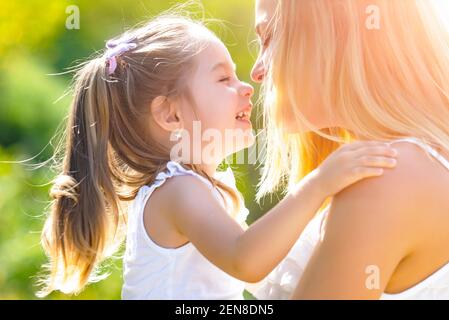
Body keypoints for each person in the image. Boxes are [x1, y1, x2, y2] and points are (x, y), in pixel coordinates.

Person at [35, 13, 398, 299]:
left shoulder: (200, 187)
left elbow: (255, 274)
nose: (246, 87)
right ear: (171, 115)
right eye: (224, 80)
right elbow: (247, 260)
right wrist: (318, 184)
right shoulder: (178, 190)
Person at [250, 0, 449, 299]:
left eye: (269, 38)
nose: (256, 70)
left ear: (333, 33)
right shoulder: (402, 165)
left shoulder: (386, 177)